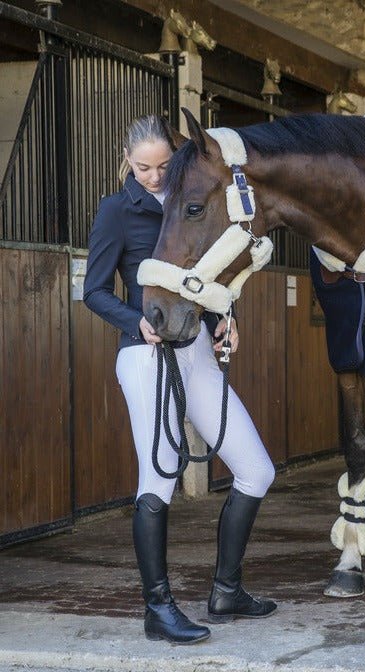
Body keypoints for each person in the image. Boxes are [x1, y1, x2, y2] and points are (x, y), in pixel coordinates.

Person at [83, 114, 277, 645]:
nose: (153, 176)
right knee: (159, 478)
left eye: (162, 165)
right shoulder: (117, 211)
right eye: (142, 167)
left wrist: (223, 324)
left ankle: (227, 590)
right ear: (127, 162)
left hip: (197, 355)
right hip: (147, 358)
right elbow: (94, 291)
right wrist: (136, 321)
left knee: (256, 470)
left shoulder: (192, 200)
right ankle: (158, 609)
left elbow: (205, 278)